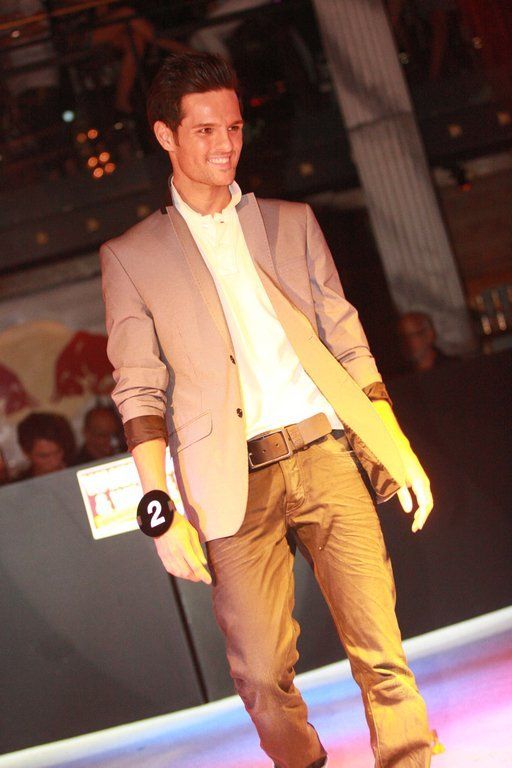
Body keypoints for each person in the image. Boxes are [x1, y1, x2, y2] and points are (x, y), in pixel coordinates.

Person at [101, 53, 434, 768]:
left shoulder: (293, 222)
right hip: (231, 483)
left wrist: (396, 448)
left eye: (234, 127)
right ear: (165, 135)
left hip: (325, 453)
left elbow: (350, 344)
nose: (226, 144)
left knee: (380, 648)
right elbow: (138, 391)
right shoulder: (131, 256)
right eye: (205, 130)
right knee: (259, 673)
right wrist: (159, 512)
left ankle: (408, 757)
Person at [16, 411, 75, 479]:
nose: (54, 462)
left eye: (58, 452)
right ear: (26, 453)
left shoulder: (79, 469)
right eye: (44, 456)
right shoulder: (20, 484)